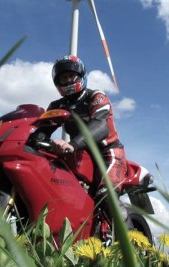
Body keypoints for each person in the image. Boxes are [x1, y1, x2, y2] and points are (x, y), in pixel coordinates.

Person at [47, 55, 128, 199]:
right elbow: (43, 127)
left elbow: (100, 125)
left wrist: (72, 144)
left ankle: (120, 219)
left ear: (81, 76)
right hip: (79, 154)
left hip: (108, 153)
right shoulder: (56, 106)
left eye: (71, 76)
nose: (67, 81)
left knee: (106, 197)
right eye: (63, 78)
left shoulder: (96, 97)